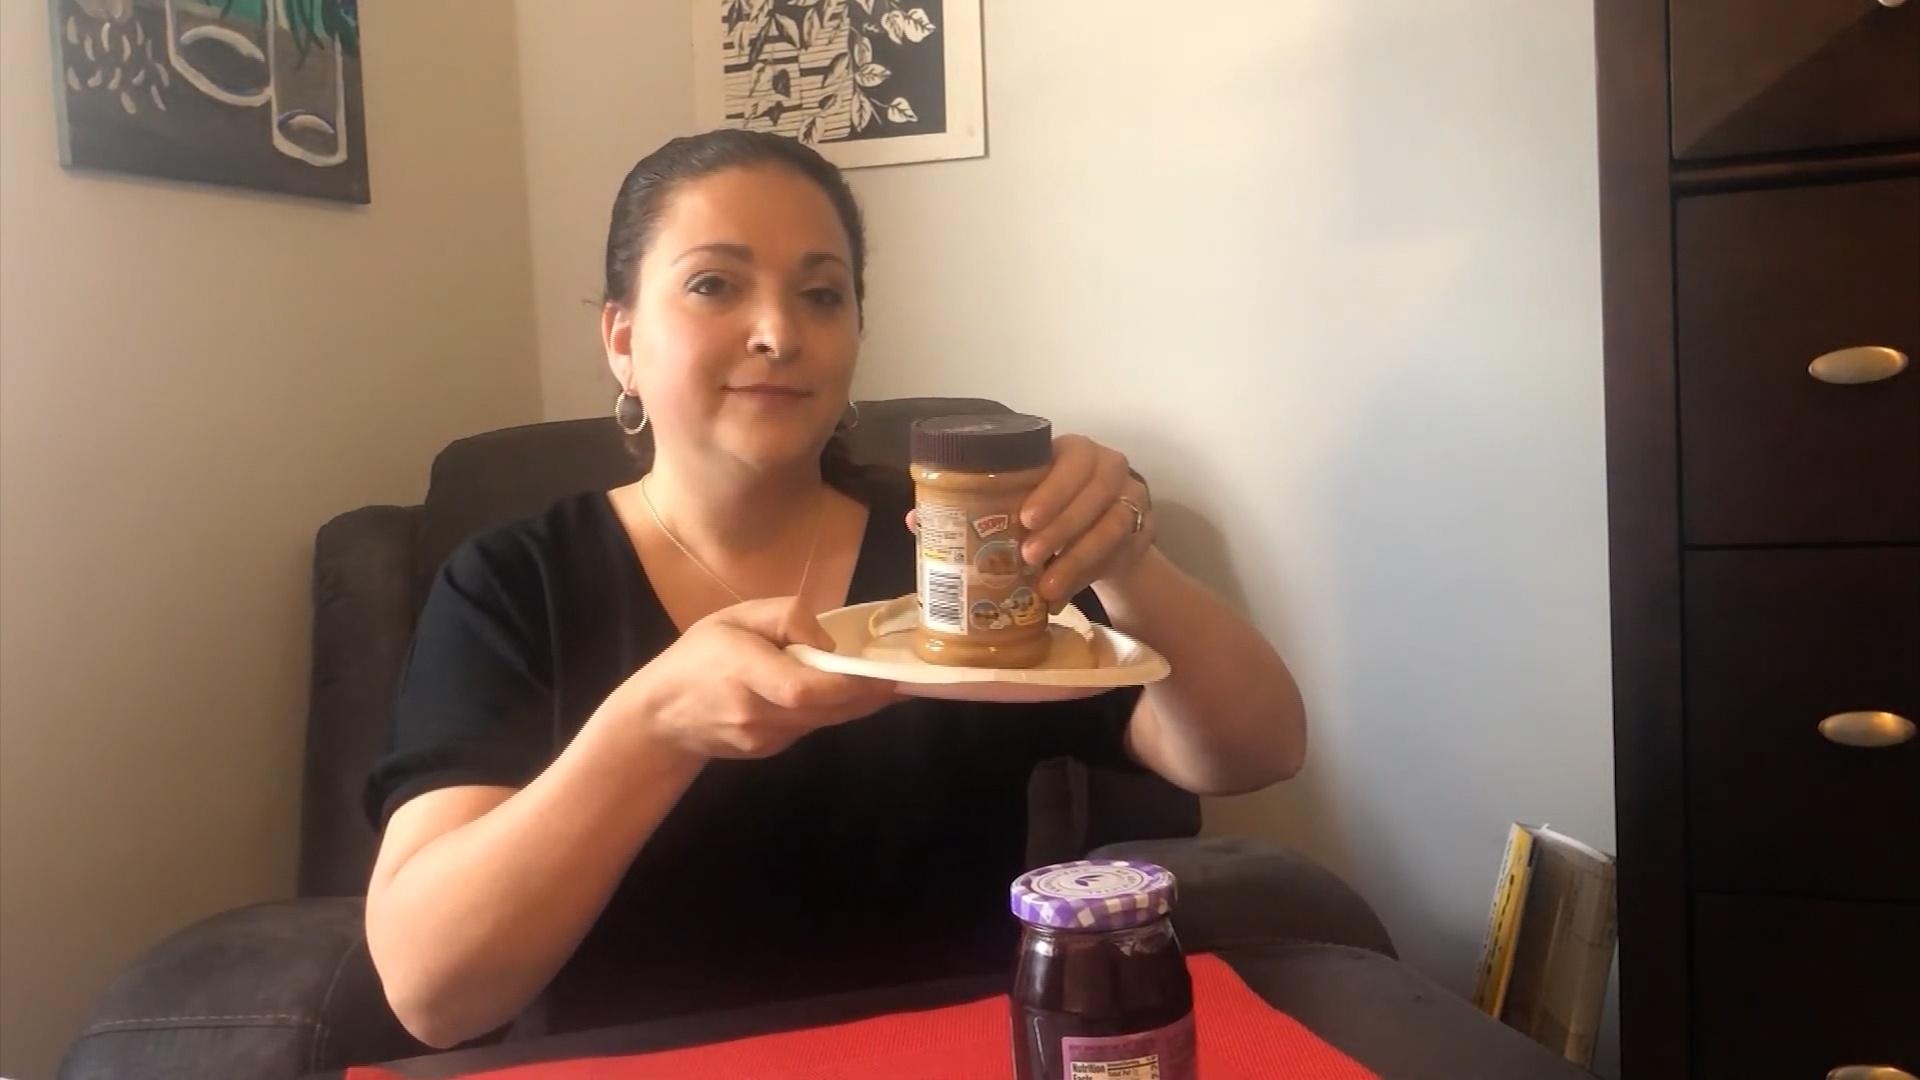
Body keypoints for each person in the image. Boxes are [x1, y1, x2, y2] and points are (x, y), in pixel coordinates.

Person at [362, 129, 1306, 1050]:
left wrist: (1124, 555)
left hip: (956, 1050)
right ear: (621, 339)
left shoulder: (956, 552)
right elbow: (432, 993)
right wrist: (648, 728)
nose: (779, 333)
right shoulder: (513, 582)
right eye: (713, 285)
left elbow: (1254, 750)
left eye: (821, 294)